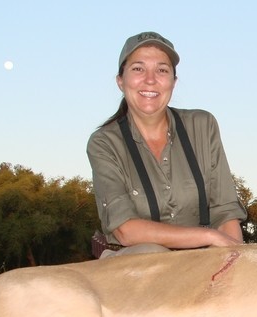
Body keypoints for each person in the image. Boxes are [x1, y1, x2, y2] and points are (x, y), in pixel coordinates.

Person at [87, 31, 246, 257]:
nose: (150, 79)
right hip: (132, 266)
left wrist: (232, 258)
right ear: (120, 81)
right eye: (138, 69)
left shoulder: (203, 125)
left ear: (173, 81)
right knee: (151, 254)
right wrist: (210, 237)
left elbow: (225, 212)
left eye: (162, 70)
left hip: (200, 260)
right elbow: (126, 230)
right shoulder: (103, 142)